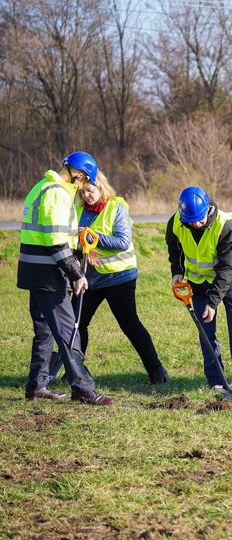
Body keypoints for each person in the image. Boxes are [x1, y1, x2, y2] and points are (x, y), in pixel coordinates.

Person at [18, 152, 114, 405]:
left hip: (33, 271)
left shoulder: (40, 186)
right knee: (69, 332)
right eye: (83, 181)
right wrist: (77, 274)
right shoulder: (57, 193)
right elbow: (56, 241)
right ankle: (83, 389)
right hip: (50, 275)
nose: (82, 186)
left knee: (45, 332)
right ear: (79, 174)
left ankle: (36, 387)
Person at [73, 173, 169, 385]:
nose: (87, 195)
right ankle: (75, 371)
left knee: (130, 324)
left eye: (91, 190)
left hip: (120, 277)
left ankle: (157, 372)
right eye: (83, 192)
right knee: (76, 324)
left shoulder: (117, 208)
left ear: (101, 188)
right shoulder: (78, 210)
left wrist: (90, 236)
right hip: (90, 278)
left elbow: (123, 242)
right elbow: (74, 241)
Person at [166, 186, 232, 393]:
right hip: (198, 283)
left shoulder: (226, 226)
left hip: (231, 281)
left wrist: (213, 302)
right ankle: (216, 381)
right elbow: (174, 247)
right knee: (206, 331)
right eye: (190, 220)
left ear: (208, 209)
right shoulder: (176, 222)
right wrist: (177, 270)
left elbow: (227, 268)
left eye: (200, 220)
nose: (195, 224)